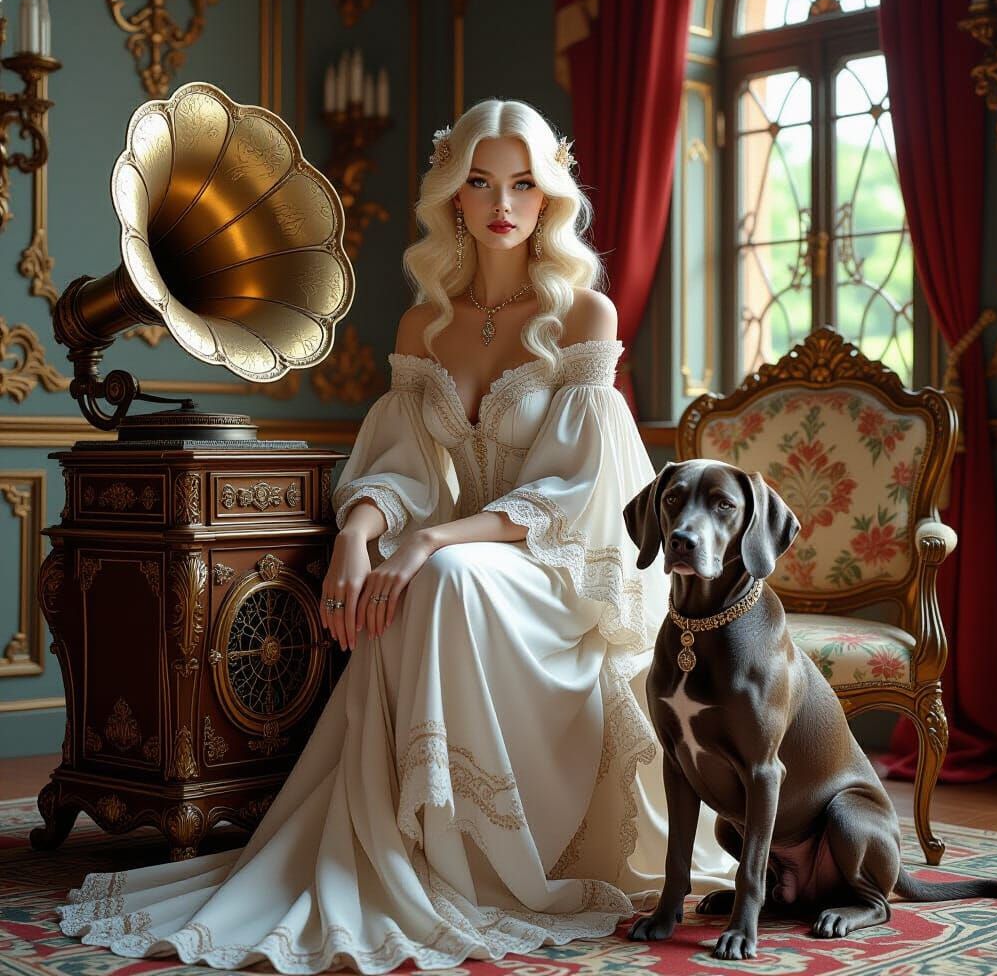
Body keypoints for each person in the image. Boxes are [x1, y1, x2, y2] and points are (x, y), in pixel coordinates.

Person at [55, 98, 734, 974]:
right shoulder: (426, 326)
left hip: (554, 570)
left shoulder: (583, 317)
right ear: (452, 194)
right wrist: (361, 534)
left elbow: (576, 495)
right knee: (423, 577)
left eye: (525, 184)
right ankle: (421, 844)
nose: (503, 202)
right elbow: (403, 467)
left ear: (549, 197)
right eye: (481, 181)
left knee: (440, 578)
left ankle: (472, 863)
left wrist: (431, 542)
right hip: (465, 559)